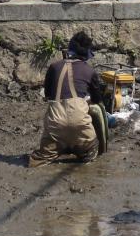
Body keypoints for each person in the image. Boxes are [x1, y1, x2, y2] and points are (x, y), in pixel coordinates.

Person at [29, 31, 103, 167]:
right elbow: (97, 100)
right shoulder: (90, 71)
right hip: (80, 124)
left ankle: (57, 149)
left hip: (56, 123)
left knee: (38, 161)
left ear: (69, 50)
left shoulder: (54, 67)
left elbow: (48, 95)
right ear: (87, 54)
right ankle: (81, 150)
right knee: (90, 151)